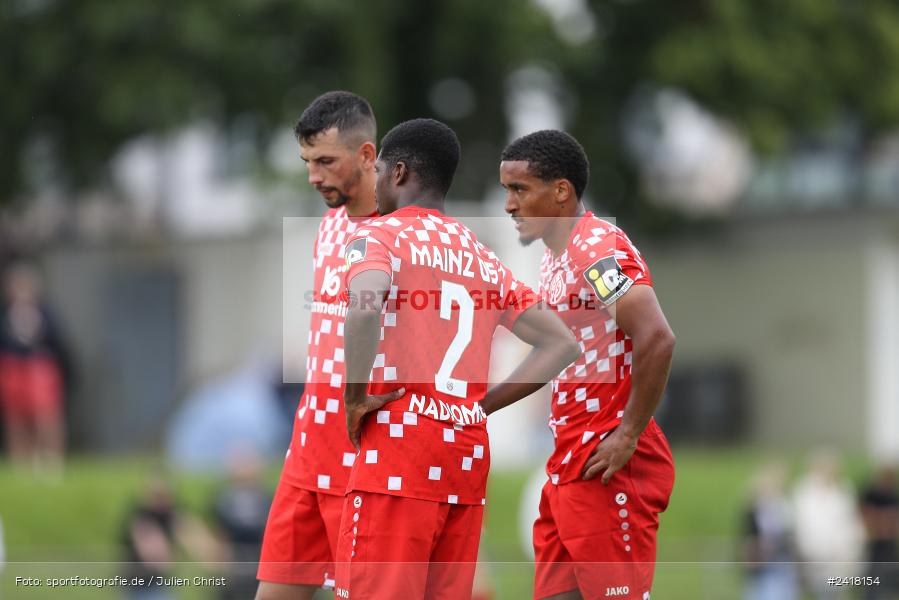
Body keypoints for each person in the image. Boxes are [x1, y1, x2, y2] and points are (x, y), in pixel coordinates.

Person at [335, 118, 579, 600]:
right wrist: (478, 408)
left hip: (398, 458)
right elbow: (561, 344)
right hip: (463, 458)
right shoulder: (482, 257)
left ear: (399, 172)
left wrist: (355, 397)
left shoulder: (380, 236)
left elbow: (365, 306)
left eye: (379, 169)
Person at [499, 129, 677, 600]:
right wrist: (475, 407)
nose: (509, 205)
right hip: (570, 462)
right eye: (506, 191)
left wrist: (627, 434)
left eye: (519, 190)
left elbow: (656, 337)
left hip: (606, 461)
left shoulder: (594, 250)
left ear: (560, 191)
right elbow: (554, 355)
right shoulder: (556, 258)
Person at [256, 91, 380, 600]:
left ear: (368, 156)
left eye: (326, 160)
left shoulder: (404, 232)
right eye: (308, 162)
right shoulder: (331, 224)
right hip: (308, 448)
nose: (313, 175)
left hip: (365, 454)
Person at [0, 262, 74, 476]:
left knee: (46, 416)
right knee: (16, 418)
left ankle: (50, 459)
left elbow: (59, 342)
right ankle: (22, 461)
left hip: (38, 369)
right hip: (13, 370)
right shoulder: (5, 314)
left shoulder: (46, 313)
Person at [742, 463, 800, 600]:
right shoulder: (752, 511)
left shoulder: (785, 508)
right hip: (760, 566)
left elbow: (790, 534)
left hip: (781, 563)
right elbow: (747, 539)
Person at [858, 463, 899, 599]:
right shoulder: (870, 494)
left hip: (889, 550)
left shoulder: (893, 495)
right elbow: (866, 516)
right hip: (874, 550)